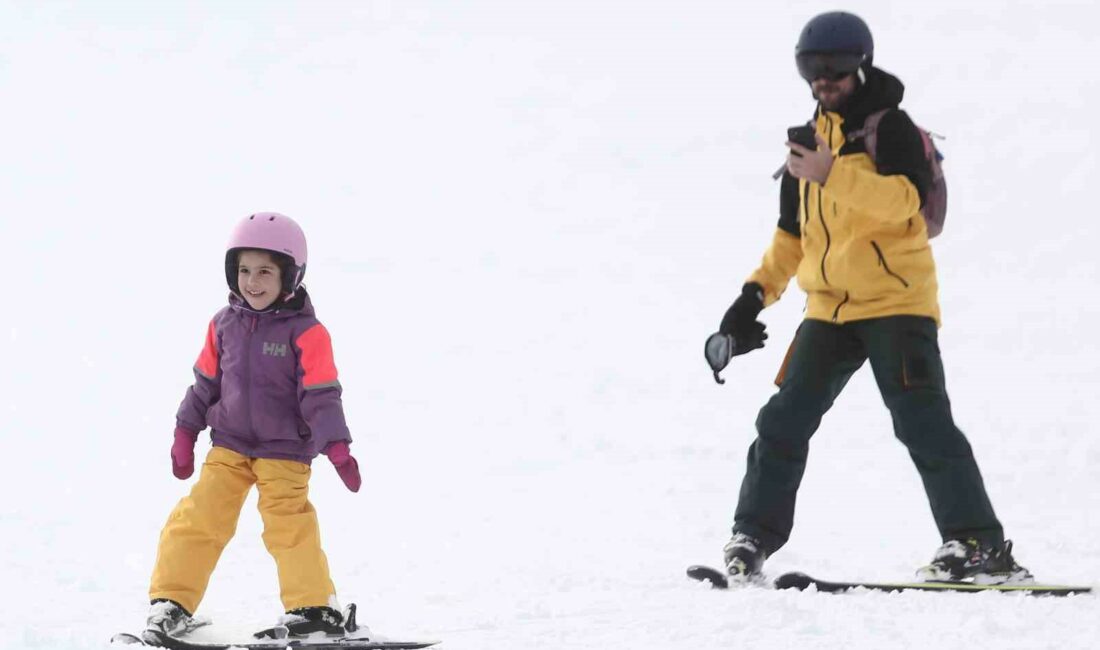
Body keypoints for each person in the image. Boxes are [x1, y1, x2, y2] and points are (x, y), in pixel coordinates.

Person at [715, 11, 1032, 584]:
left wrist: (832, 172)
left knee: (922, 421)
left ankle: (979, 545)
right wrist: (750, 300)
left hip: (897, 304)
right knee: (782, 420)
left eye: (834, 68)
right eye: (812, 68)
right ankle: (751, 538)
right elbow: (793, 236)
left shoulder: (890, 129)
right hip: (829, 311)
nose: (823, 79)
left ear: (859, 64)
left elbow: (903, 204)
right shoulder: (806, 145)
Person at [144, 212, 363, 642]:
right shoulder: (222, 325)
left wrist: (336, 446)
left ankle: (314, 607)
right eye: (244, 269)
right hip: (229, 445)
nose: (252, 281)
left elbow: (321, 394)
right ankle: (172, 602)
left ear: (291, 275)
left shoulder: (308, 333)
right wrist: (185, 432)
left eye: (265, 270)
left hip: (285, 450)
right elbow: (205, 384)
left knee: (288, 523)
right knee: (199, 517)